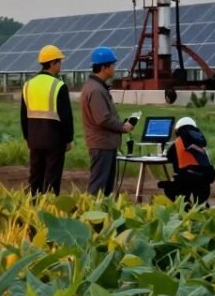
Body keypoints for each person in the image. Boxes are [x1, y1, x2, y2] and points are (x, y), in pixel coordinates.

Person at [20, 45, 75, 195]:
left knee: (35, 178)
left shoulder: (28, 85)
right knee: (52, 180)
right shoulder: (58, 86)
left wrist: (27, 137)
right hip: (54, 140)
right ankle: (49, 209)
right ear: (52, 63)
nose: (60, 66)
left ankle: (33, 207)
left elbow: (23, 115)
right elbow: (66, 117)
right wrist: (68, 139)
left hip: (34, 140)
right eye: (59, 62)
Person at [80, 47, 135, 196]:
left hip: (104, 143)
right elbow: (102, 119)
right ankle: (92, 216)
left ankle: (101, 216)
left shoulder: (95, 87)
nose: (114, 68)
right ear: (104, 67)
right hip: (101, 144)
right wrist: (123, 127)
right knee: (99, 187)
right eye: (112, 65)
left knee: (105, 188)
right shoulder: (96, 90)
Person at [161, 116, 215, 205]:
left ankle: (186, 209)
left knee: (169, 189)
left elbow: (169, 157)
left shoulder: (179, 141)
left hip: (187, 180)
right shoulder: (200, 141)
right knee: (201, 206)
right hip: (205, 179)